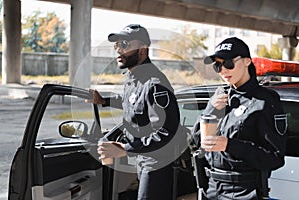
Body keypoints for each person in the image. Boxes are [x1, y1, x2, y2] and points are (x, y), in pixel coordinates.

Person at [86, 24, 184, 200]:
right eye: (116, 45)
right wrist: (103, 101)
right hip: (143, 160)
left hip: (156, 165)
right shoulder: (134, 79)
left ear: (142, 50)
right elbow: (133, 103)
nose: (118, 50)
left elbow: (166, 131)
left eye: (124, 44)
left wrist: (125, 148)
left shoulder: (155, 84)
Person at [192, 37, 287, 200]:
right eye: (217, 65)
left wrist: (230, 145)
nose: (223, 70)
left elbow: (274, 157)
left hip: (243, 191)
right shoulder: (219, 96)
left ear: (246, 61)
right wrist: (210, 109)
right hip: (212, 187)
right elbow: (196, 140)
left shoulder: (264, 101)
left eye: (228, 63)